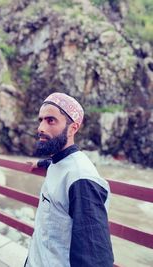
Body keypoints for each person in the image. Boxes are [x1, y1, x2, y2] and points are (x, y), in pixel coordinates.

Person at [24, 92, 114, 267]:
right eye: (40, 120)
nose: (41, 128)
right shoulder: (59, 161)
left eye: (51, 120)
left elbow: (95, 258)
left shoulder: (82, 180)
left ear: (73, 128)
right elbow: (56, 163)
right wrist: (40, 163)